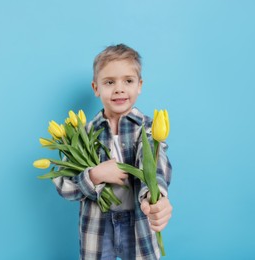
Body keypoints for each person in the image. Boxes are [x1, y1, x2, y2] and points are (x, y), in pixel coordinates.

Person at [53, 44, 173, 259]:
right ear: (95, 88)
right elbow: (64, 186)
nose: (119, 89)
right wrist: (94, 175)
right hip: (98, 225)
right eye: (109, 82)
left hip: (138, 223)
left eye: (128, 81)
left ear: (139, 85)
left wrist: (156, 197)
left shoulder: (148, 129)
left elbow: (155, 165)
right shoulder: (83, 134)